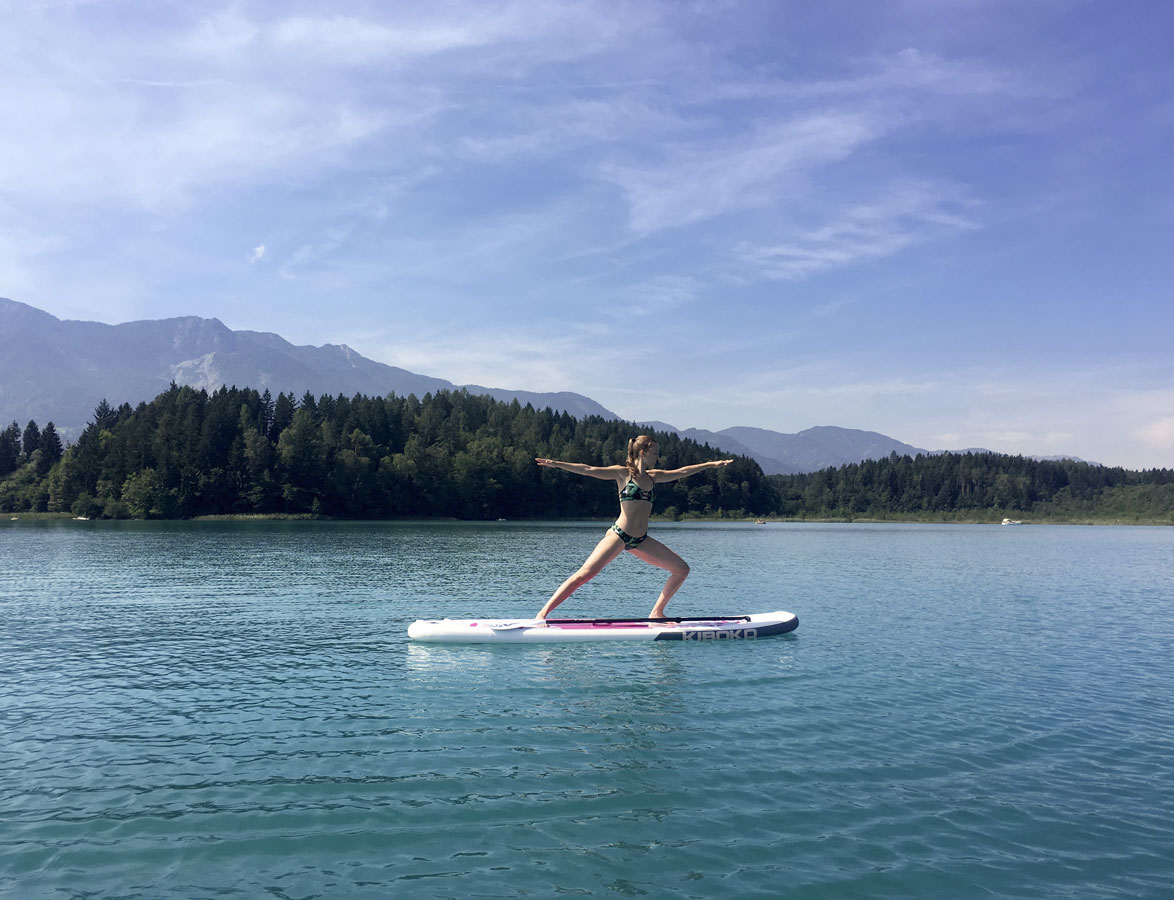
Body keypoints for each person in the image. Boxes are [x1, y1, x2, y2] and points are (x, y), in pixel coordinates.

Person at [534, 436, 733, 621]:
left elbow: (683, 471)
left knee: (681, 570)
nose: (658, 457)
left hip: (641, 540)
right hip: (619, 535)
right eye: (655, 453)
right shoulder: (622, 474)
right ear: (643, 453)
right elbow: (587, 469)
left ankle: (656, 612)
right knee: (583, 575)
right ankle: (542, 615)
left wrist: (711, 465)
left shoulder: (654, 477)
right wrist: (556, 463)